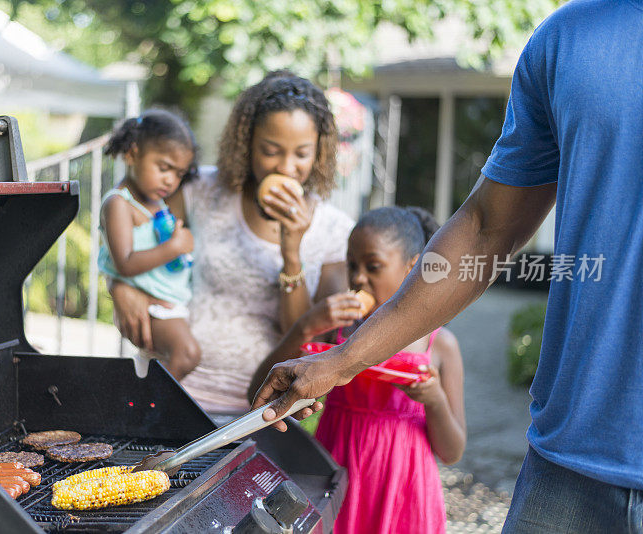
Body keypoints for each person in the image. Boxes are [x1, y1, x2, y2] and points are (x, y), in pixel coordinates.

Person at [254, 1, 643, 531]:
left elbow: (451, 444)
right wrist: (340, 361)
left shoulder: (446, 352)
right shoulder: (569, 40)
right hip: (571, 468)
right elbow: (486, 228)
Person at [110, 71, 354, 414]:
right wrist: (120, 284)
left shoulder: (335, 231)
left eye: (301, 154)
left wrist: (291, 253)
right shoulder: (201, 190)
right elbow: (129, 216)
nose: (286, 167)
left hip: (263, 410)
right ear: (247, 143)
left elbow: (303, 334)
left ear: (320, 153)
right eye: (271, 151)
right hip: (173, 391)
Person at [250, 207, 464, 533]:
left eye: (373, 266)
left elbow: (452, 452)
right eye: (352, 265)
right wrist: (304, 327)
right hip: (338, 477)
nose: (359, 277)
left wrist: (434, 401)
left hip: (404, 490)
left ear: (413, 267)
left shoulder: (440, 344)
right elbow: (257, 391)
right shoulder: (337, 335)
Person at [99, 109, 201, 380]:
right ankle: (146, 409)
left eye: (179, 173)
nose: (171, 180)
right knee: (187, 354)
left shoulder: (158, 203)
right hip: (150, 309)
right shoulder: (119, 203)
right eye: (164, 167)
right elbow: (125, 262)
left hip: (171, 306)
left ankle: (142, 404)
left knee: (155, 367)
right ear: (132, 154)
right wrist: (174, 247)